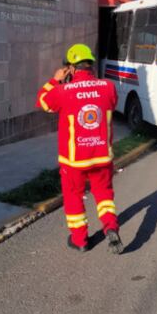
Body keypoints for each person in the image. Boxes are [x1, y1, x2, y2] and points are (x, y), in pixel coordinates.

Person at [36, 43, 123, 254]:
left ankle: (81, 240)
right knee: (104, 195)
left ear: (72, 68)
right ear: (91, 66)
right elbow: (110, 104)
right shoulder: (108, 86)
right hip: (101, 156)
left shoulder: (63, 91)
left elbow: (42, 103)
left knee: (74, 197)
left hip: (74, 160)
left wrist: (55, 80)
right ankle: (110, 227)